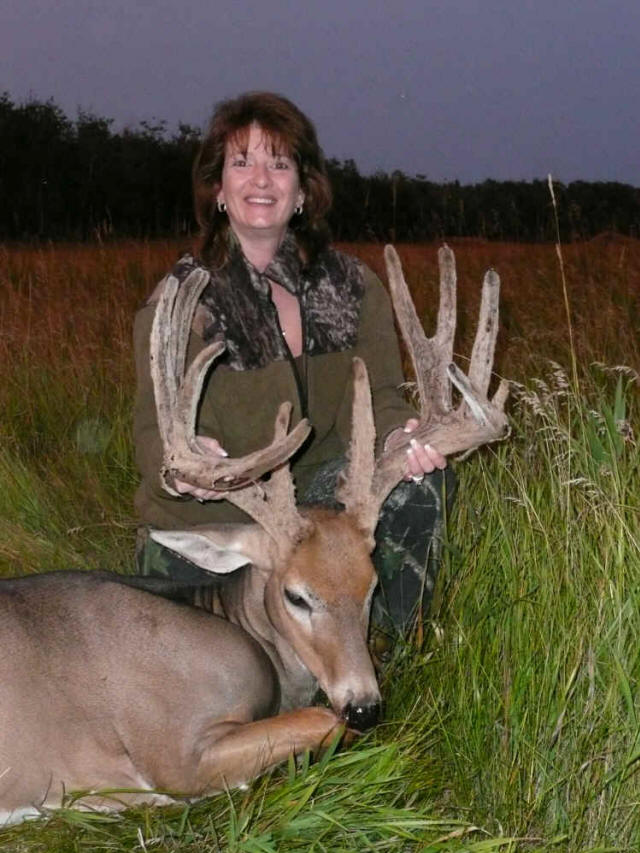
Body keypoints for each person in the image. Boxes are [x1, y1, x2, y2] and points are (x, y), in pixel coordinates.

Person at [133, 91, 455, 638]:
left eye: (280, 164)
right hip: (227, 524)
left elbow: (382, 400)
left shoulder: (350, 288)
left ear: (303, 191)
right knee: (240, 681)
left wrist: (402, 440)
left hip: (324, 507)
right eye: (242, 163)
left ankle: (390, 648)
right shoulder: (182, 303)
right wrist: (187, 469)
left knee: (421, 483)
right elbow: (151, 433)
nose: (262, 179)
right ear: (218, 190)